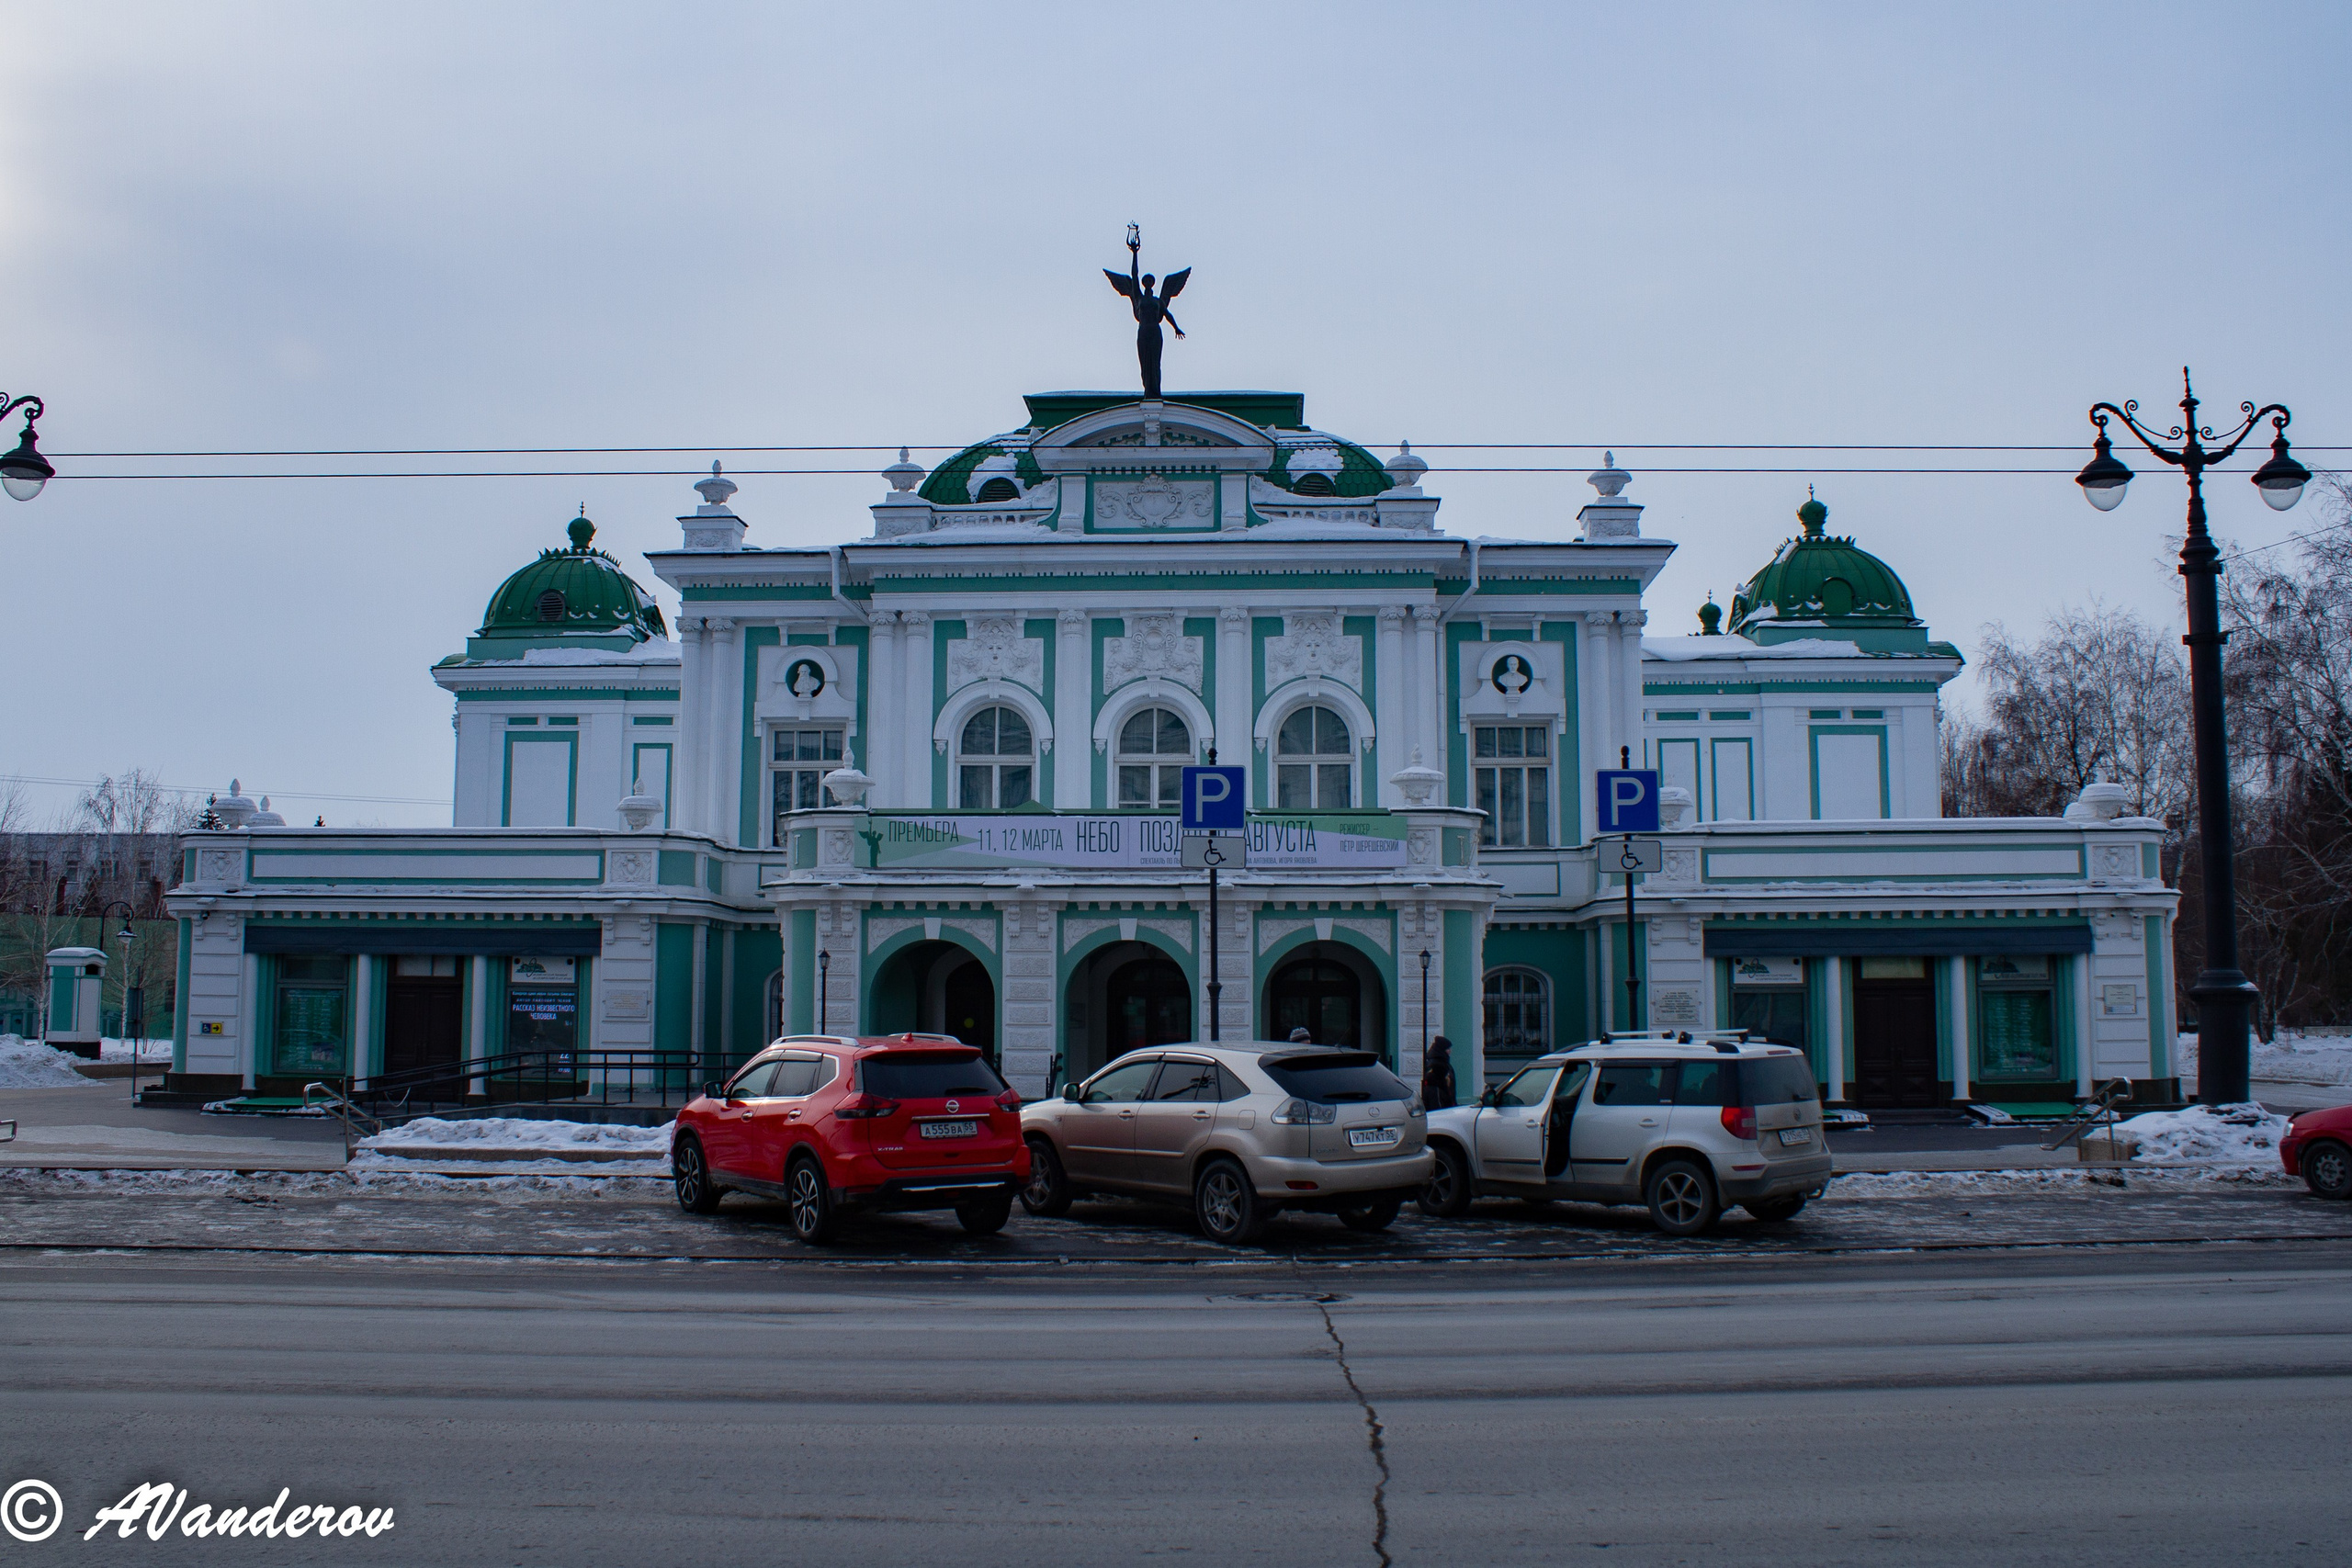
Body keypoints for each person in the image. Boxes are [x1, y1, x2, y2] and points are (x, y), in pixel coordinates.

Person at [1421, 1036, 1457, 1111]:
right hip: (1441, 1108)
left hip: (1444, 1105)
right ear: (1442, 1050)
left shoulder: (1441, 1064)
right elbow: (1435, 1095)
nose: (1450, 1051)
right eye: (1448, 1049)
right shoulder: (1438, 1066)